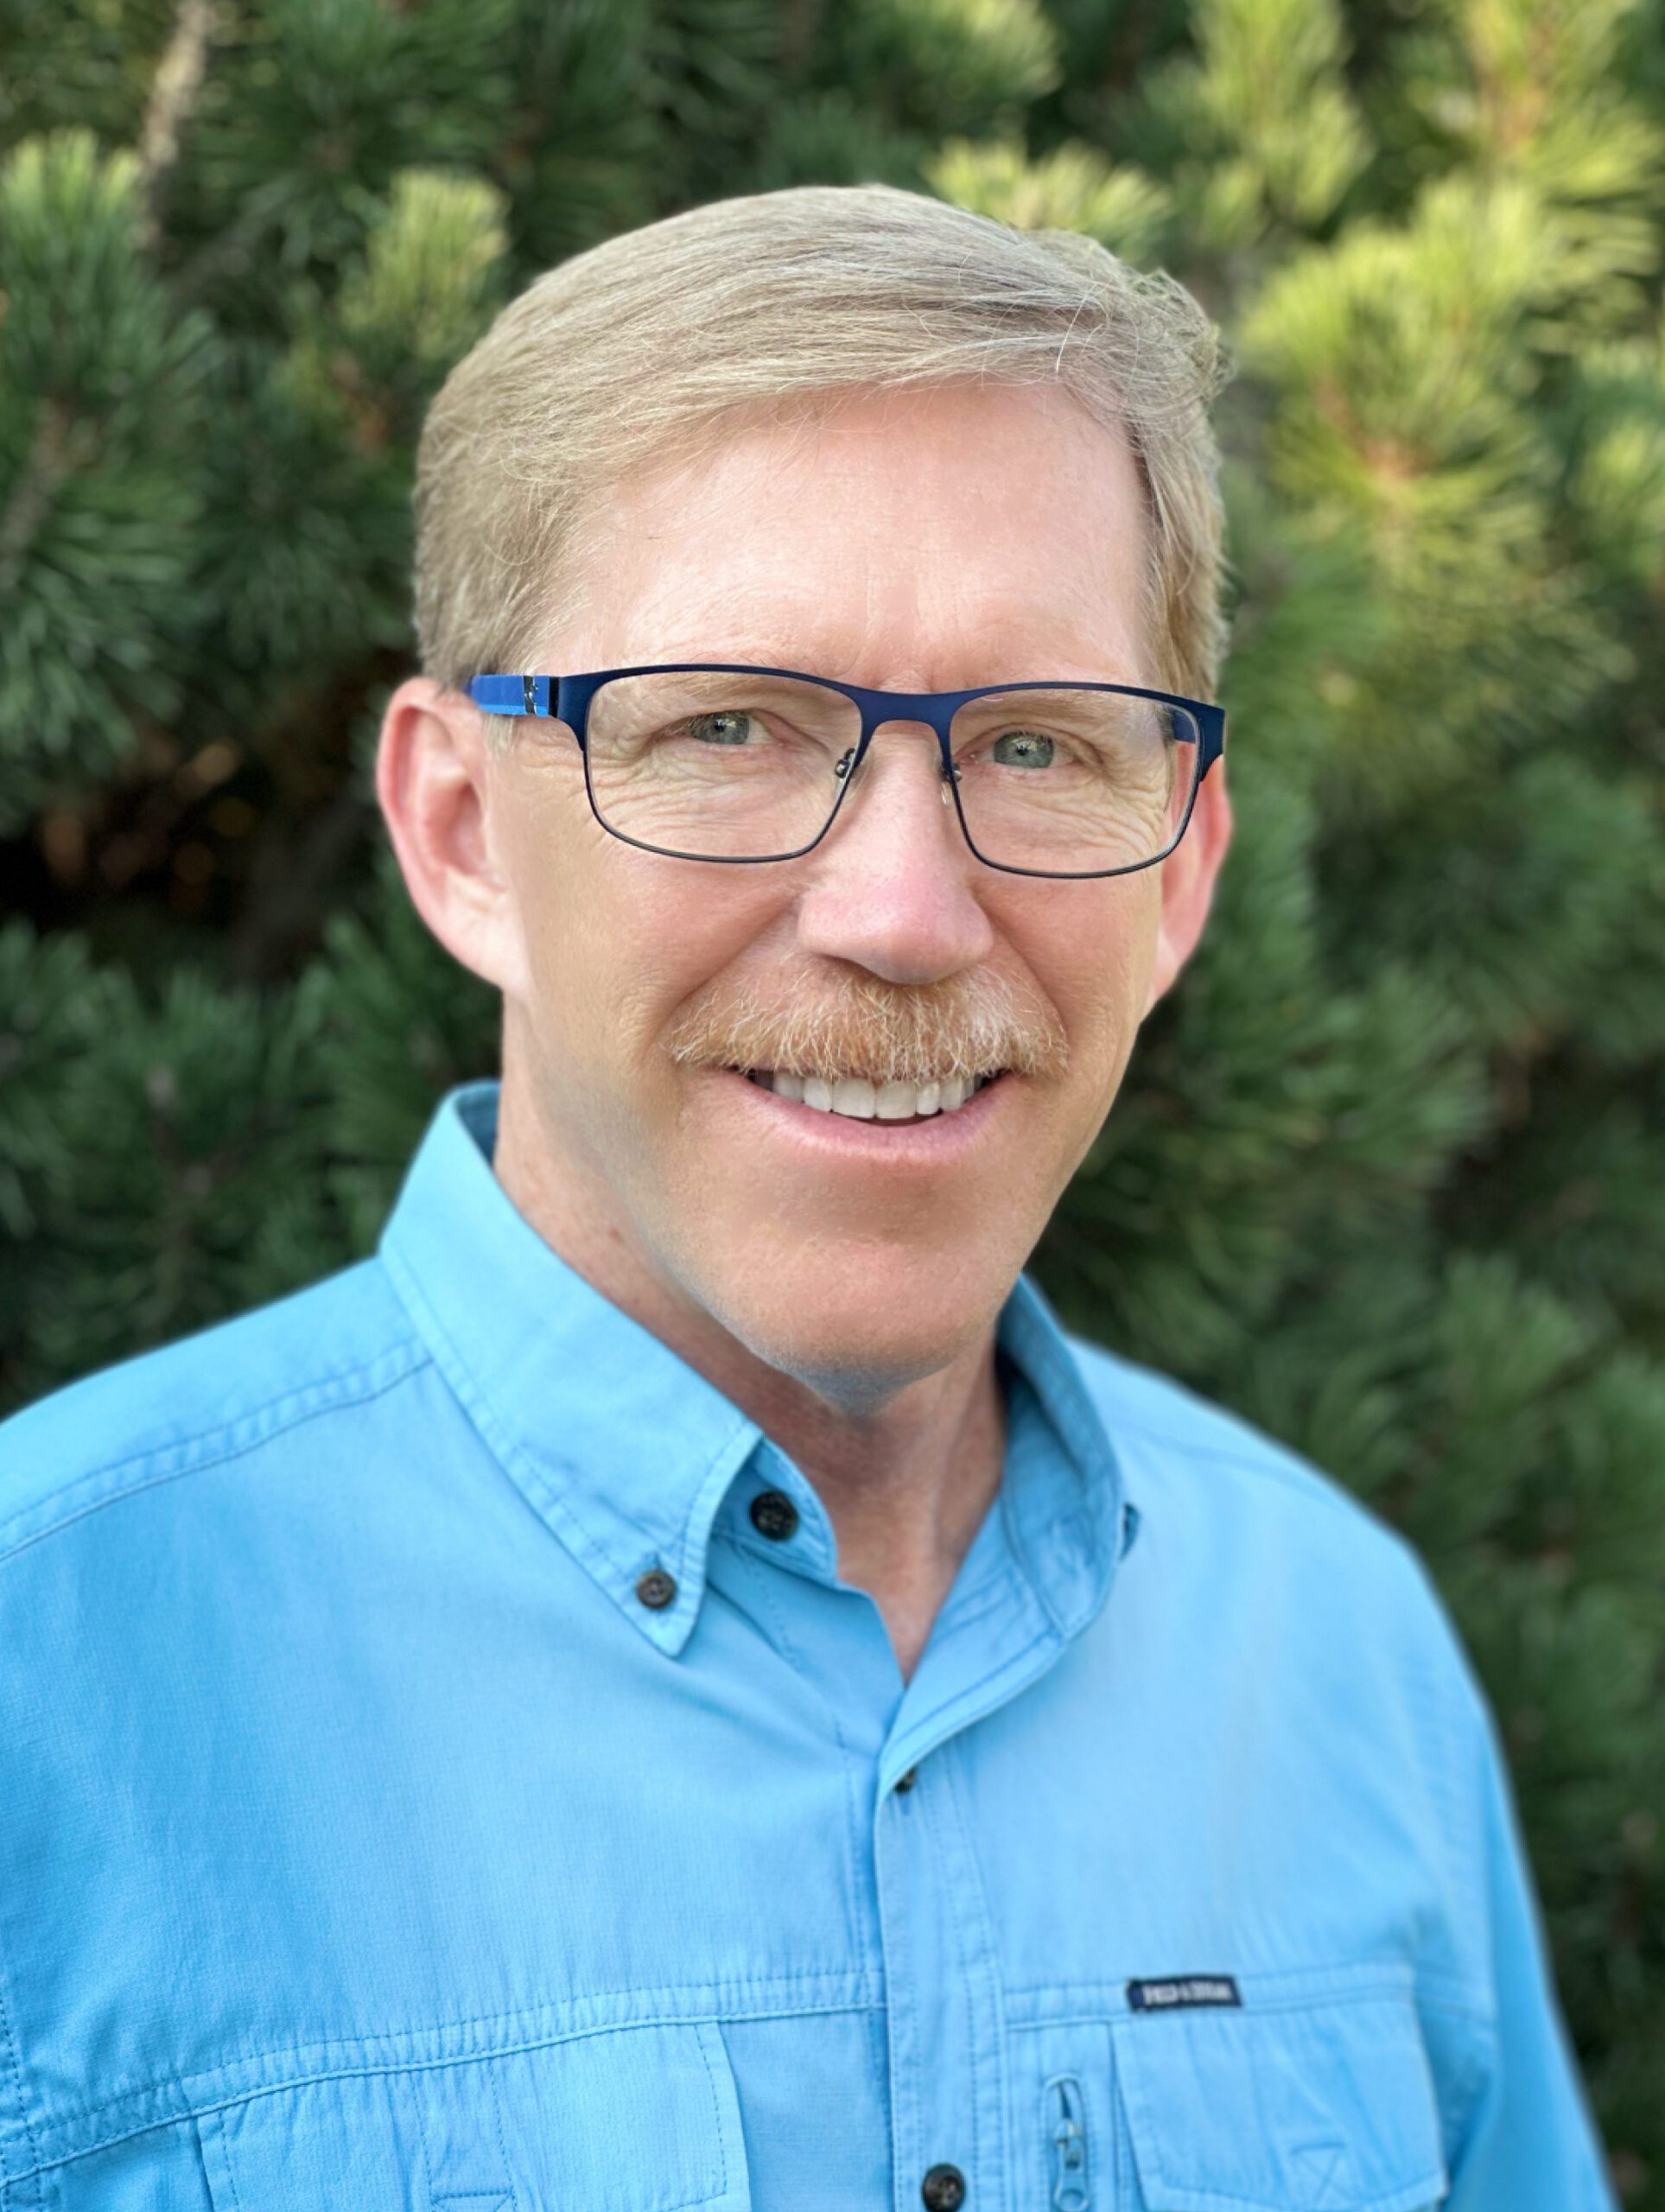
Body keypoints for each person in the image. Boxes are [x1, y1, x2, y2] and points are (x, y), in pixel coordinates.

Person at [0, 184, 1615, 2212]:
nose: (906, 916)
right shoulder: (45, 1668)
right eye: (731, 727)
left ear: (1184, 872)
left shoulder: (1336, 1653)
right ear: (453, 829)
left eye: (1038, 742)